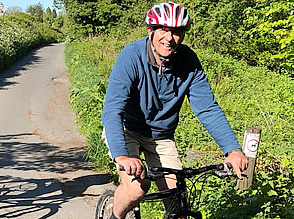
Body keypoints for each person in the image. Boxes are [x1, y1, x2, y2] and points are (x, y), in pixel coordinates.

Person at [100, 2, 248, 219]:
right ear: (151, 30)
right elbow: (113, 109)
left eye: (176, 32)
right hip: (127, 130)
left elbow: (207, 108)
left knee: (178, 204)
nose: (169, 38)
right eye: (163, 30)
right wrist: (122, 156)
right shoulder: (131, 56)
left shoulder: (189, 61)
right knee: (137, 188)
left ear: (183, 34)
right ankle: (115, 216)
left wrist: (232, 150)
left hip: (161, 137)